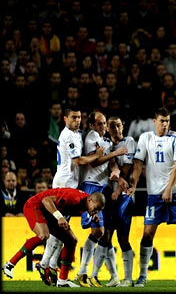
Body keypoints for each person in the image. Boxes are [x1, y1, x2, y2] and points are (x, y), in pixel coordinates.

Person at [127, 107, 176, 287]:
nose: (165, 124)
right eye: (162, 121)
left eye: (167, 121)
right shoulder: (145, 138)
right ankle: (143, 275)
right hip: (154, 195)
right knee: (147, 234)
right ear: (154, 121)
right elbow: (138, 164)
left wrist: (169, 189)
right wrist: (134, 185)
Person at [38, 108, 105, 285]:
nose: (77, 120)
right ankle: (45, 263)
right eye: (73, 117)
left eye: (79, 117)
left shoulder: (77, 133)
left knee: (63, 228)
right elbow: (78, 161)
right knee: (60, 228)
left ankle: (51, 264)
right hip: (63, 184)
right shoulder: (67, 135)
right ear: (65, 118)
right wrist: (96, 156)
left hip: (71, 184)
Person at [2, 188, 106, 287]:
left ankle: (62, 281)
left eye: (98, 210)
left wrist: (92, 214)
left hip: (49, 213)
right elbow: (46, 200)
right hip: (35, 206)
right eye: (96, 208)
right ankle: (10, 264)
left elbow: (87, 207)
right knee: (43, 235)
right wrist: (60, 217)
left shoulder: (87, 202)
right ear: (90, 200)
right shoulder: (74, 197)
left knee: (72, 240)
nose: (96, 211)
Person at [76, 111, 128, 288]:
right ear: (91, 126)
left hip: (104, 187)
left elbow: (108, 162)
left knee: (106, 234)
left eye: (105, 123)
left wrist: (115, 171)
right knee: (98, 232)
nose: (104, 127)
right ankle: (82, 273)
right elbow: (95, 162)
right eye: (99, 124)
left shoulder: (105, 140)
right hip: (91, 186)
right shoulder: (91, 138)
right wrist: (116, 154)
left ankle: (113, 277)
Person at [89, 116, 136, 287]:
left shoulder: (129, 141)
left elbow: (127, 167)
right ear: (108, 129)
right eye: (112, 126)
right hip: (109, 196)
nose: (115, 129)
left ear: (122, 126)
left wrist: (117, 189)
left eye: (118, 125)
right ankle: (96, 276)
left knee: (123, 238)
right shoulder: (107, 143)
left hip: (124, 197)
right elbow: (113, 163)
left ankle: (128, 278)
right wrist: (114, 178)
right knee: (106, 235)